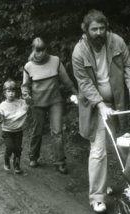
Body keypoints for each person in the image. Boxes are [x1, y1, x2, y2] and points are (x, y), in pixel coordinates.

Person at [72, 9, 130, 214]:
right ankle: (97, 197)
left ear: (106, 28)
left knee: (115, 143)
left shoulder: (117, 42)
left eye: (101, 28)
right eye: (93, 29)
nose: (98, 32)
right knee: (98, 149)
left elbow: (129, 67)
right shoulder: (79, 52)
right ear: (85, 30)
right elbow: (85, 83)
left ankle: (107, 185)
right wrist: (101, 106)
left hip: (117, 102)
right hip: (94, 105)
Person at [21, 37, 78, 174]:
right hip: (37, 103)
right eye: (37, 50)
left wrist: (77, 94)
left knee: (57, 131)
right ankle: (33, 156)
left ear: (46, 49)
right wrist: (26, 95)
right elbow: (25, 86)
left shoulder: (55, 61)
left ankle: (60, 161)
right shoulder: (28, 67)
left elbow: (66, 81)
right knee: (37, 131)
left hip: (54, 101)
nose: (40, 53)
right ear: (33, 50)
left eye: (42, 50)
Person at [0, 79, 31, 174]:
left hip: (18, 131)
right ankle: (7, 160)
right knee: (10, 147)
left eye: (13, 91)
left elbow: (29, 103)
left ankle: (17, 165)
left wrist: (27, 97)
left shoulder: (20, 102)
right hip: (7, 131)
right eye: (9, 91)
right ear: (4, 93)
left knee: (18, 149)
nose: (11, 94)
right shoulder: (2, 105)